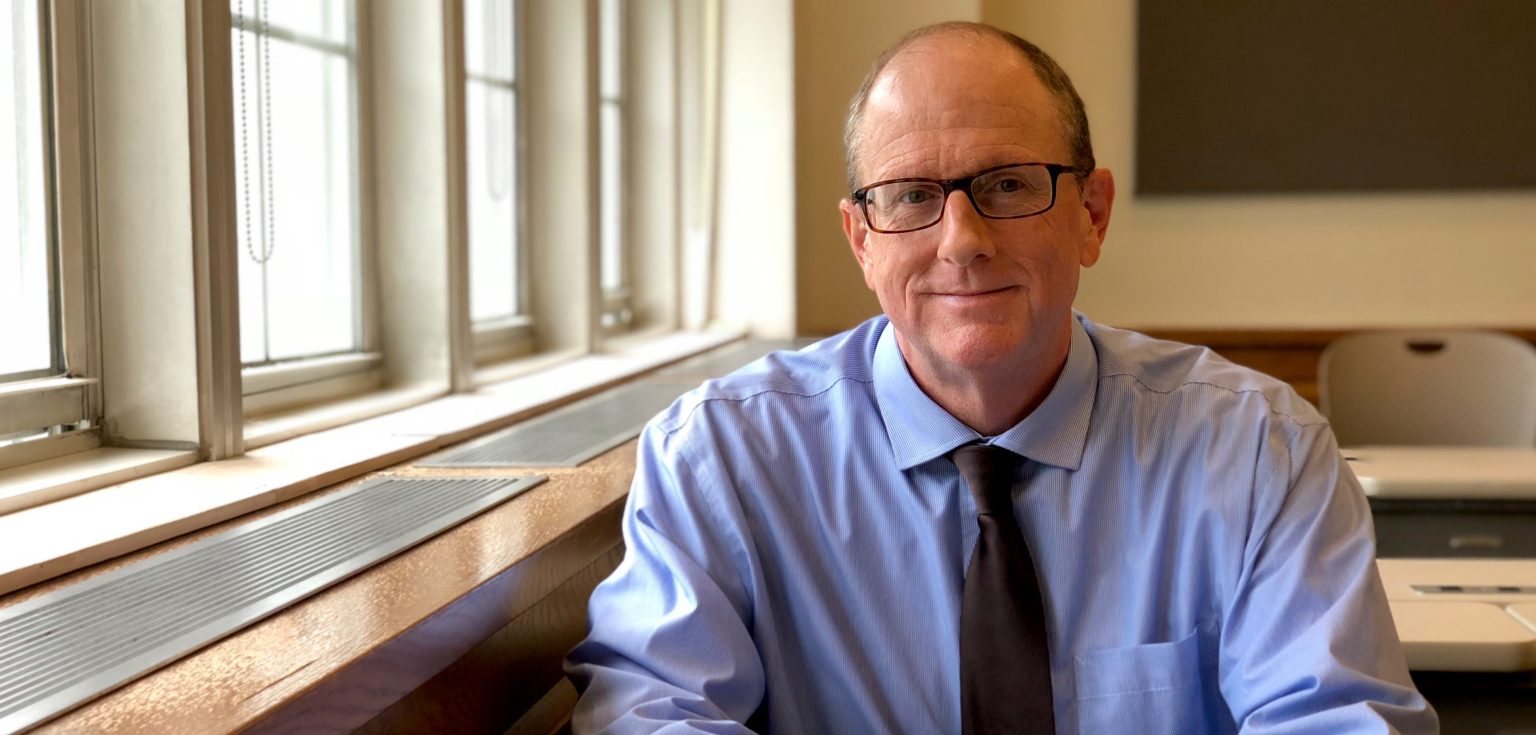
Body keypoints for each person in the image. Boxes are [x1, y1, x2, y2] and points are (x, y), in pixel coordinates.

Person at [566, 21, 1437, 734]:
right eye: (910, 196)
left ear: (1091, 215)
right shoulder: (724, 457)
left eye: (1009, 184)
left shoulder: (1256, 452)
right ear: (862, 240)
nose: (962, 241)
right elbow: (649, 715)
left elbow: (1335, 719)